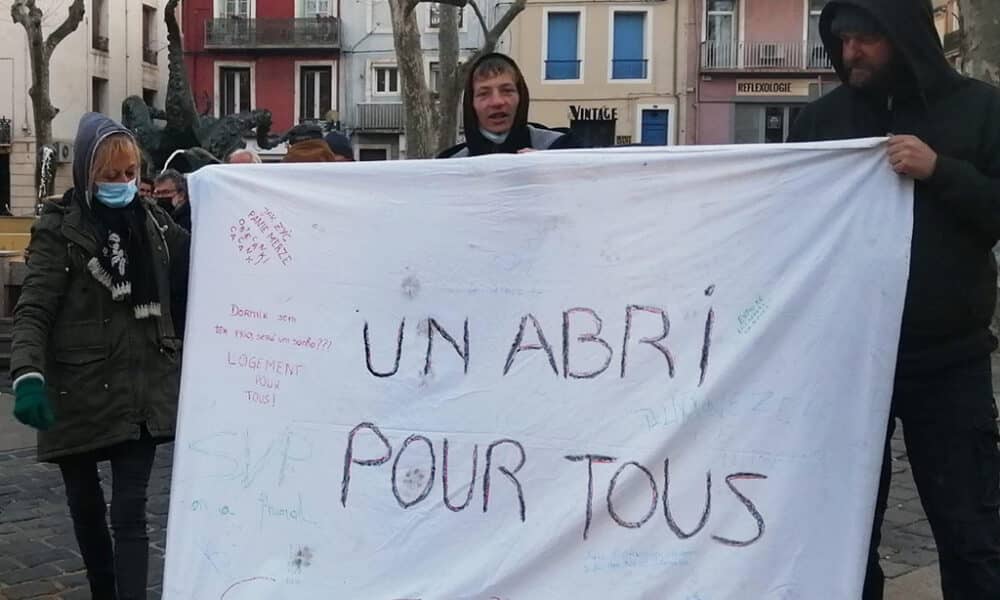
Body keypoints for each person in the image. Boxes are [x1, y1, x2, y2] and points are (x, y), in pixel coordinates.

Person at [786, 1, 1000, 598]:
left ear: (906, 36)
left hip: (950, 360)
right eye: (841, 39)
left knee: (971, 530)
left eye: (865, 39)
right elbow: (789, 225)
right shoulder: (821, 122)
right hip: (846, 360)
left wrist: (940, 171)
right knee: (845, 532)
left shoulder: (982, 111)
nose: (849, 52)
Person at [10, 113, 189, 600]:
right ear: (87, 172)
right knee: (86, 508)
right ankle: (102, 590)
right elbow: (34, 309)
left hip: (142, 387)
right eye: (110, 175)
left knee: (130, 512)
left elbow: (202, 260)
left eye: (130, 173)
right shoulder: (59, 231)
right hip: (78, 389)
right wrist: (27, 374)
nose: (123, 183)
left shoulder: (156, 224)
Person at [438, 53, 580, 158]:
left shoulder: (561, 149)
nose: (497, 102)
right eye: (484, 93)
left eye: (507, 91)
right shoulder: (449, 166)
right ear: (471, 104)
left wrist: (552, 172)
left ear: (521, 97)